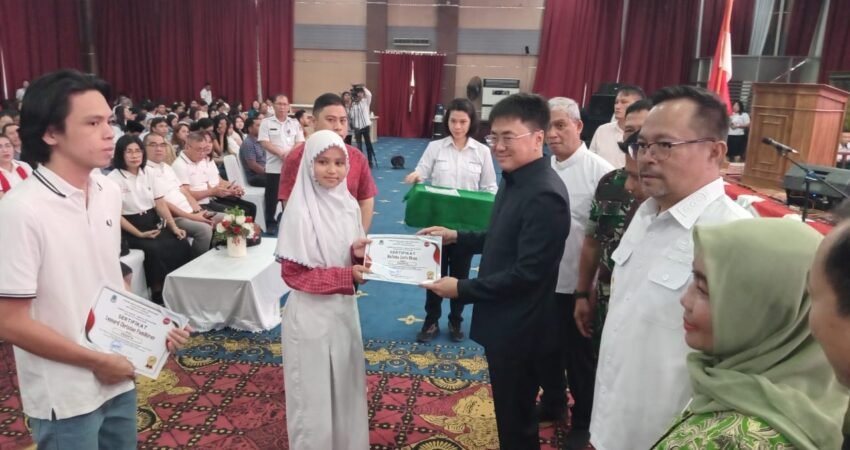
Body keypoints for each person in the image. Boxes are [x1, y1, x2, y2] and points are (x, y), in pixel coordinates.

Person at [0, 69, 189, 450]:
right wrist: (96, 361)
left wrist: (151, 330)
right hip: (66, 390)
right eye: (92, 123)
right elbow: (9, 321)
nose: (109, 134)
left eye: (108, 121)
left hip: (117, 371)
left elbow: (107, 279)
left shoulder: (106, 190)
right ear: (51, 133)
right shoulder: (21, 210)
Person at [590, 86, 752, 450]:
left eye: (664, 145)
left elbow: (741, 363)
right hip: (614, 418)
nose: (647, 158)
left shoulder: (734, 234)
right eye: (642, 145)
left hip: (671, 433)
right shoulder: (646, 214)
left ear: (715, 151)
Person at [420, 93, 570, 449]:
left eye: (508, 137)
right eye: (494, 137)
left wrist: (461, 289)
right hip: (504, 318)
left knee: (516, 419)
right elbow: (501, 236)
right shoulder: (516, 178)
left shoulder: (544, 194)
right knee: (508, 410)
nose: (499, 146)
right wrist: (457, 236)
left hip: (521, 327)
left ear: (537, 137)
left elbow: (528, 275)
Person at [652, 219, 848, 449]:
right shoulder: (820, 404)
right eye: (693, 279)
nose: (685, 300)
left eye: (704, 289)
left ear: (767, 311)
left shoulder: (733, 440)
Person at [278, 130, 371, 450]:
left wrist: (359, 257)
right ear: (309, 164)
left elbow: (350, 256)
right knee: (313, 398)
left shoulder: (349, 205)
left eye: (339, 163)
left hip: (343, 312)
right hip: (310, 318)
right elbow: (294, 275)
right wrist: (347, 275)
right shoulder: (299, 210)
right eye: (323, 162)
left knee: (346, 388)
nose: (332, 170)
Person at [536, 97, 614, 446]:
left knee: (579, 358)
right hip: (542, 281)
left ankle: (584, 420)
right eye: (547, 127)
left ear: (579, 126)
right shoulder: (541, 169)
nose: (552, 134)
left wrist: (590, 288)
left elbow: (604, 238)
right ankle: (554, 402)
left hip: (580, 286)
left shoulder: (601, 173)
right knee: (544, 350)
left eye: (560, 125)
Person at [404, 98, 497, 343]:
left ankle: (456, 320)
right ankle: (431, 320)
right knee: (433, 273)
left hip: (465, 227)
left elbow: (489, 187)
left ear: (471, 122)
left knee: (461, 277)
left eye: (462, 121)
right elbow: (422, 171)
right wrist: (416, 176)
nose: (457, 126)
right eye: (453, 121)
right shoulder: (435, 147)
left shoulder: (482, 152)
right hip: (437, 223)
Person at [574, 99, 652, 347]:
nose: (635, 138)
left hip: (645, 315)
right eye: (629, 130)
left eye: (643, 131)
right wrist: (582, 293)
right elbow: (593, 242)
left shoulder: (666, 192)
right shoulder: (610, 183)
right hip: (606, 301)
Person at [108, 135, 192, 304]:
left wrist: (174, 227)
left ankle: (181, 285)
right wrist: (139, 234)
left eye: (138, 151)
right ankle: (157, 290)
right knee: (154, 248)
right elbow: (116, 215)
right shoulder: (113, 179)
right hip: (129, 228)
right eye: (129, 151)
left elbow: (160, 203)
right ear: (120, 154)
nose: (134, 155)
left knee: (179, 240)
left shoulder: (149, 172)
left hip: (152, 221)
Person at [278, 93, 378, 232]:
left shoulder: (357, 158)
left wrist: (360, 235)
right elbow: (289, 204)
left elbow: (366, 200)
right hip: (308, 235)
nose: (338, 127)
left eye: (343, 120)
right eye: (331, 120)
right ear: (314, 122)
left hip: (347, 233)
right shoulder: (297, 158)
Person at [144, 133, 221, 258]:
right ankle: (195, 265)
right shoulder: (144, 172)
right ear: (144, 148)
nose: (159, 148)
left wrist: (198, 211)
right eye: (153, 145)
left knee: (228, 219)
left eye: (162, 145)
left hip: (190, 211)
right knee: (204, 230)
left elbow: (184, 191)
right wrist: (192, 216)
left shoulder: (167, 167)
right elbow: (162, 203)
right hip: (174, 217)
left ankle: (218, 258)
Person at [171, 131, 257, 219]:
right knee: (236, 216)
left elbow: (211, 184)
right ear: (187, 147)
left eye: (204, 149)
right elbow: (186, 195)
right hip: (197, 205)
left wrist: (230, 188)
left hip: (209, 200)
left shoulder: (200, 160)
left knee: (248, 209)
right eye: (199, 149)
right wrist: (212, 192)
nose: (202, 153)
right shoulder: (179, 165)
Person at [258, 94, 304, 233]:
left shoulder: (294, 123)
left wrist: (289, 155)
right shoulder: (266, 123)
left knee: (290, 195)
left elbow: (300, 142)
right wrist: (280, 153)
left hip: (291, 167)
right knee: (272, 197)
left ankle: (288, 221)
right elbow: (264, 142)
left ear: (288, 106)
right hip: (274, 167)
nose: (282, 107)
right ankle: (270, 222)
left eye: (285, 104)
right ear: (273, 105)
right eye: (279, 104)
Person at [589, 85, 645, 168]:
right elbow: (590, 160)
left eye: (624, 102)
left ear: (637, 105)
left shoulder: (644, 133)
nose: (617, 106)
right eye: (616, 102)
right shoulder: (602, 130)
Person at [349, 85, 377, 167]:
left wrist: (362, 87)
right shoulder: (353, 104)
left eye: (361, 93)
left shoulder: (365, 101)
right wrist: (351, 106)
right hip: (357, 127)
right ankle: (361, 162)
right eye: (358, 93)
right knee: (359, 146)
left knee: (368, 144)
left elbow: (369, 95)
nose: (359, 95)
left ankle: (370, 161)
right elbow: (351, 116)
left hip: (365, 126)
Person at [0, 135, 31, 199]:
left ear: (13, 148)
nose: (5, 150)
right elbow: (3, 200)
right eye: (0, 147)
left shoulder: (24, 165)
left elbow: (36, 187)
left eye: (8, 146)